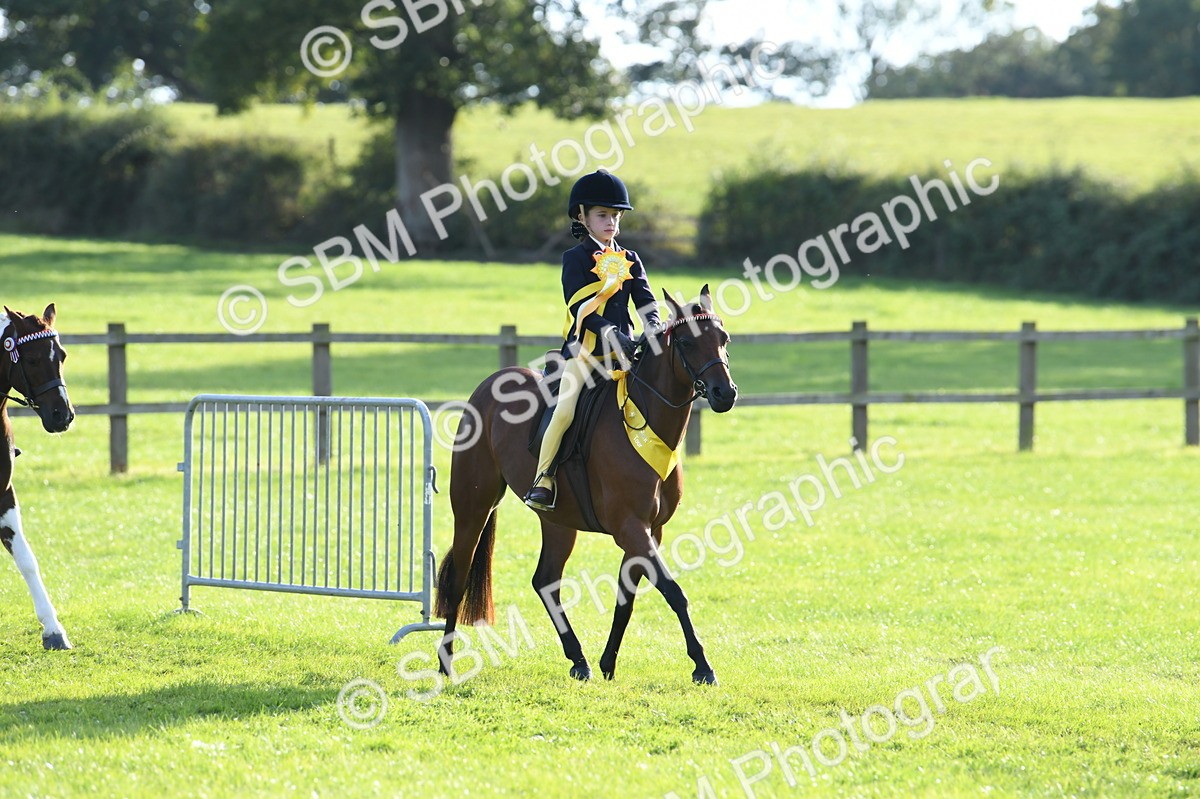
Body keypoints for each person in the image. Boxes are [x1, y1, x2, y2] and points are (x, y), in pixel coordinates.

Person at [524, 169, 662, 511]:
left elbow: (644, 300)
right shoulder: (575, 259)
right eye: (603, 215)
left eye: (616, 216)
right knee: (564, 411)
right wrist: (613, 333)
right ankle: (544, 479)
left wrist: (653, 326)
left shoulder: (630, 259)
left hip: (626, 356)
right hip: (585, 355)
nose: (611, 222)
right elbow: (578, 306)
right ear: (582, 216)